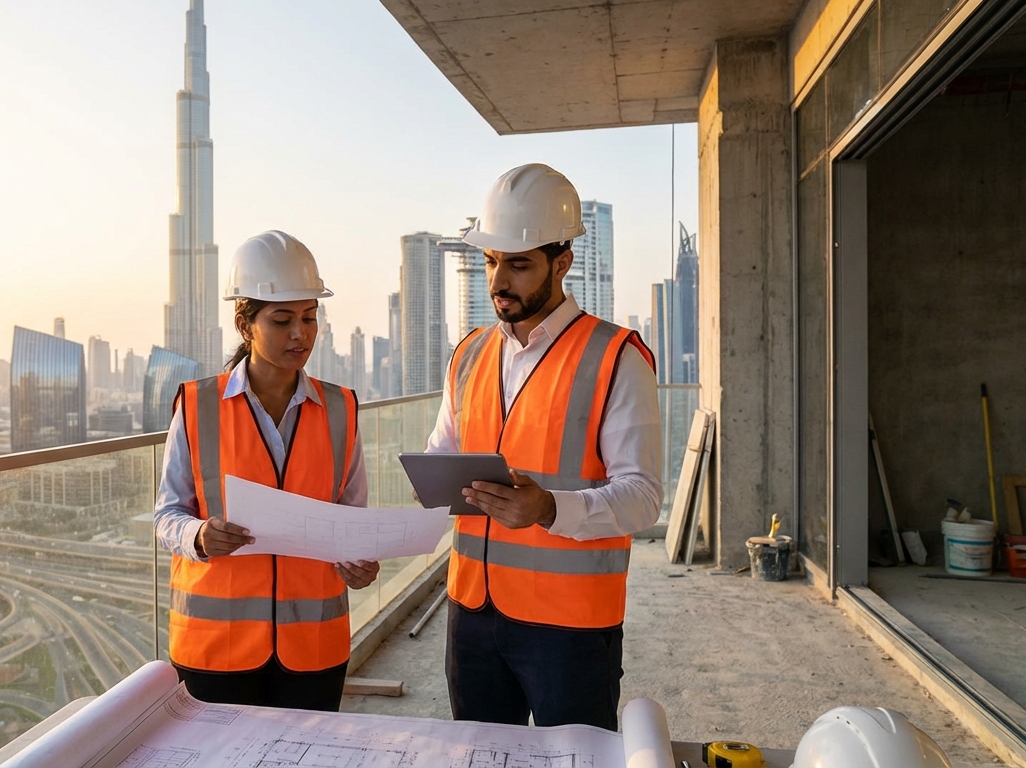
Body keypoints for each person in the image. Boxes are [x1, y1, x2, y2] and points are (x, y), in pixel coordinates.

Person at [429, 164, 662, 729]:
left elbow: (643, 497)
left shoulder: (616, 356)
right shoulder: (469, 354)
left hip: (571, 626)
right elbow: (440, 458)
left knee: (576, 760)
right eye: (491, 261)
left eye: (518, 264)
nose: (498, 281)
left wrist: (550, 508)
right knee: (481, 759)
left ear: (562, 262)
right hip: (472, 612)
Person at [154, 230, 380, 711]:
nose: (300, 334)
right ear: (245, 324)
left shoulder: (341, 410)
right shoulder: (198, 406)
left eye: (309, 317)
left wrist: (359, 562)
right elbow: (167, 515)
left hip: (313, 648)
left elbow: (352, 520)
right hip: (216, 650)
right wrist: (198, 535)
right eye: (282, 320)